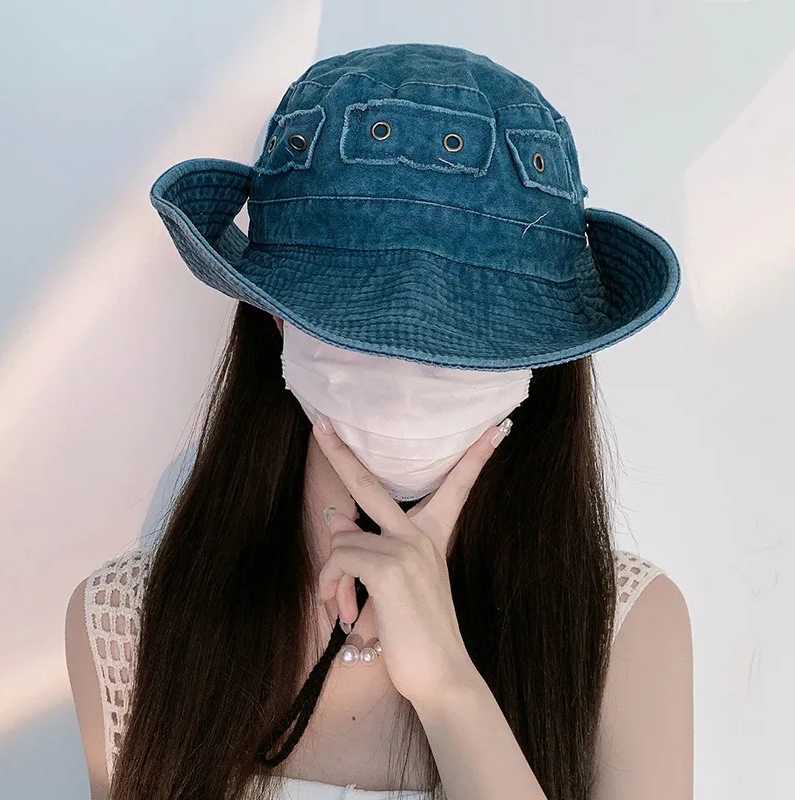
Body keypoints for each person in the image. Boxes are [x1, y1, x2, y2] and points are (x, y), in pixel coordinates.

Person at [66, 43, 693, 800]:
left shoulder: (623, 627)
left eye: (471, 336)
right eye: (358, 324)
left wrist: (451, 691)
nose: (408, 371)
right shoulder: (127, 622)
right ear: (276, 317)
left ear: (544, 355)